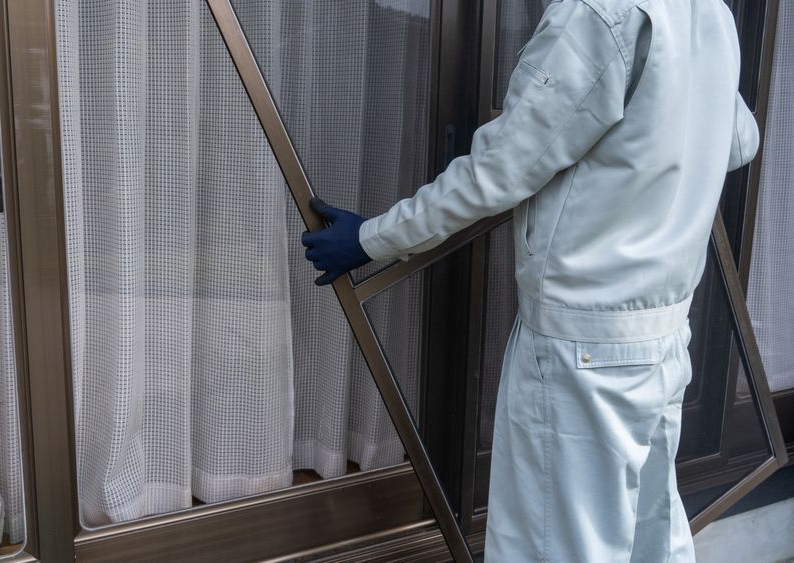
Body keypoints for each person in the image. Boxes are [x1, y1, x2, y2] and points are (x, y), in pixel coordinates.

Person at [301, 0, 759, 560]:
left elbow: (501, 170)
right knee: (651, 540)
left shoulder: (597, 14)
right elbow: (740, 143)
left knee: (563, 548)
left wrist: (373, 238)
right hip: (661, 337)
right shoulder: (707, 12)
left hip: (583, 345)